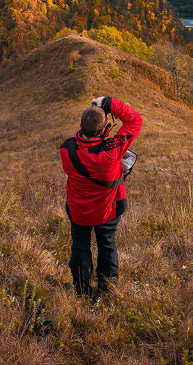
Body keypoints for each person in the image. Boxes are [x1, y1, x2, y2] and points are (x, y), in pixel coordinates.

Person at [59, 95, 143, 299]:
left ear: (80, 125)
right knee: (107, 245)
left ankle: (82, 290)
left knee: (80, 246)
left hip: (79, 210)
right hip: (109, 209)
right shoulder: (112, 150)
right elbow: (135, 120)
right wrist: (106, 102)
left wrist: (96, 116)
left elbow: (80, 144)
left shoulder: (67, 149)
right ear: (106, 129)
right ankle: (107, 290)